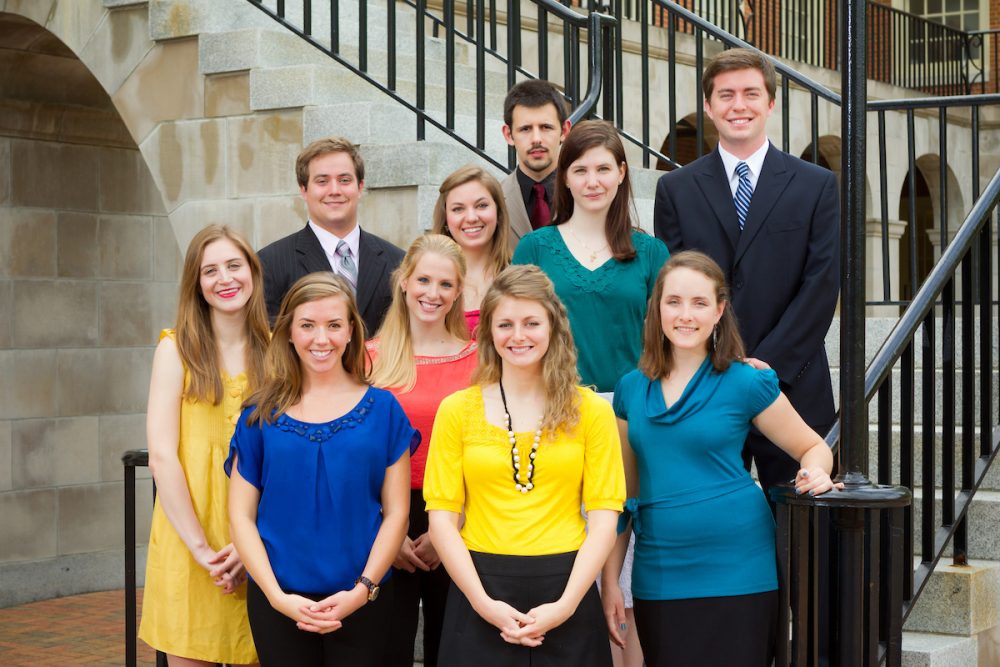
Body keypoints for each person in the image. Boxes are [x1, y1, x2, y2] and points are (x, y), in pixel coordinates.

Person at [602, 251, 841, 667]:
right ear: (656, 307)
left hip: (740, 565)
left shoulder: (747, 381)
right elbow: (625, 496)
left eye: (699, 303)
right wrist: (610, 582)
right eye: (673, 301)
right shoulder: (629, 390)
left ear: (720, 310)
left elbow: (813, 446)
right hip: (661, 570)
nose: (685, 315)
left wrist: (816, 471)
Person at [652, 48, 840, 500]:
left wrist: (765, 364)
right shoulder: (675, 189)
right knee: (706, 510)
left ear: (770, 103)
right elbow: (676, 288)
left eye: (751, 94)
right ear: (711, 107)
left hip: (795, 382)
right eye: (726, 95)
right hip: (706, 381)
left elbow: (822, 284)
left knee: (803, 537)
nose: (739, 105)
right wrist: (721, 358)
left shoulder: (816, 185)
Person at [424, 264, 626, 666]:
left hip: (568, 584)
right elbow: (442, 521)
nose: (518, 336)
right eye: (505, 324)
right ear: (488, 332)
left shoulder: (590, 411)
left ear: (553, 327)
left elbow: (604, 520)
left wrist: (566, 606)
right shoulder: (457, 411)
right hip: (479, 587)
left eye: (531, 322)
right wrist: (482, 604)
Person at [226, 272, 416, 665]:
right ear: (290, 334)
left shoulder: (384, 411)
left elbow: (397, 514)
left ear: (351, 331)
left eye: (333, 325)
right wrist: (277, 598)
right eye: (308, 326)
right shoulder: (259, 415)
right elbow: (240, 517)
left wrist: (362, 590)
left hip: (364, 597)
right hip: (279, 602)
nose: (321, 339)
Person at [139, 224, 269, 666]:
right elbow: (161, 455)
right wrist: (203, 552)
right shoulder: (176, 350)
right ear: (196, 283)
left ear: (252, 271)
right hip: (191, 538)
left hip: (262, 538)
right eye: (210, 270)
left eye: (234, 265)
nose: (225, 279)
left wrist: (249, 542)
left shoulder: (279, 350)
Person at [367, 234, 479, 666]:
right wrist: (384, 530)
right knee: (387, 646)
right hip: (382, 513)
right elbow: (355, 450)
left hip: (456, 511)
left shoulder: (478, 361)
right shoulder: (368, 359)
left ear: (457, 293)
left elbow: (483, 445)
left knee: (449, 648)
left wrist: (452, 526)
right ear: (404, 281)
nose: (433, 293)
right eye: (424, 280)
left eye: (446, 285)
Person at [512, 119, 670, 394]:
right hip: (553, 401)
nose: (592, 182)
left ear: (621, 173)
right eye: (581, 170)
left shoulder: (652, 253)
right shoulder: (534, 248)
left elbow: (673, 336)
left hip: (630, 407)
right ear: (565, 177)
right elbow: (515, 328)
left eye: (603, 169)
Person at [258, 136, 405, 337]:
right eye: (322, 181)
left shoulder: (397, 261)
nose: (334, 190)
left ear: (360, 187)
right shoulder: (269, 264)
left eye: (344, 180)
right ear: (304, 190)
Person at [432, 166, 513, 333]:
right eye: (458, 209)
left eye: (481, 205)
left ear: (498, 212)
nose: (471, 218)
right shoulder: (426, 282)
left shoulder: (520, 276)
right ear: (446, 218)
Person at [500, 80, 572, 241]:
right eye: (525, 129)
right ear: (508, 135)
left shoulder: (587, 193)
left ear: (565, 131)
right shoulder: (493, 201)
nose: (536, 139)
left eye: (546, 127)